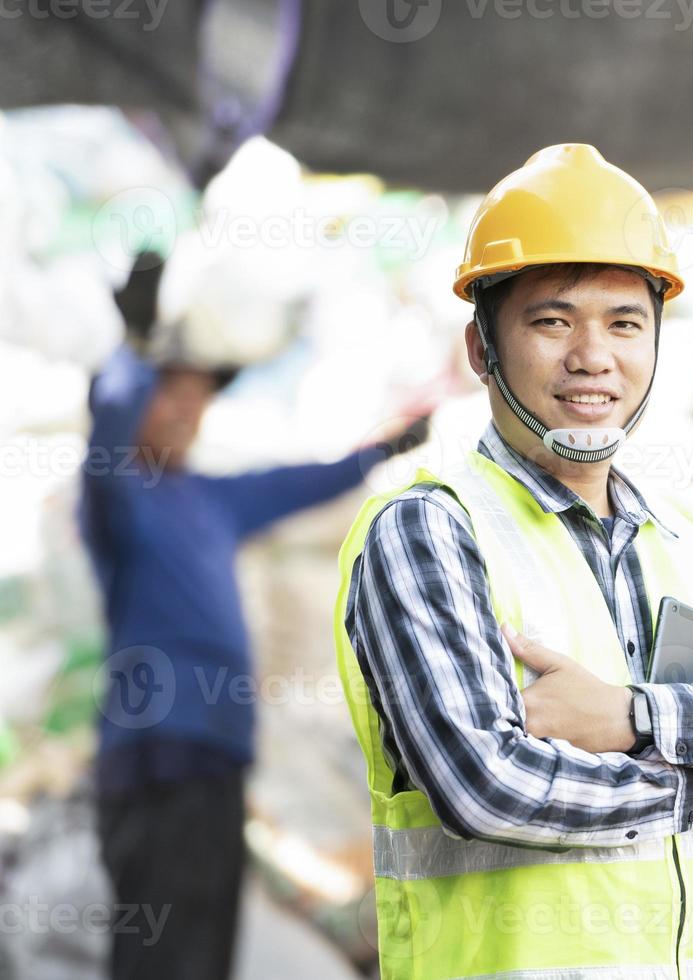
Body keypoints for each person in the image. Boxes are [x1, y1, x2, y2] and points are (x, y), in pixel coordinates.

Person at [336, 144, 693, 979]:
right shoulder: (429, 532)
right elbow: (485, 782)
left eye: (624, 322)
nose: (593, 356)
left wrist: (639, 717)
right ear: (480, 350)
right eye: (552, 321)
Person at [84, 252, 428, 980]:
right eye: (166, 393)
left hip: (214, 754)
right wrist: (133, 346)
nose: (185, 410)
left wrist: (385, 448)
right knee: (160, 949)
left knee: (203, 947)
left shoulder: (211, 500)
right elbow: (107, 425)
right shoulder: (121, 493)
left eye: (196, 397)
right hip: (156, 756)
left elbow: (295, 483)